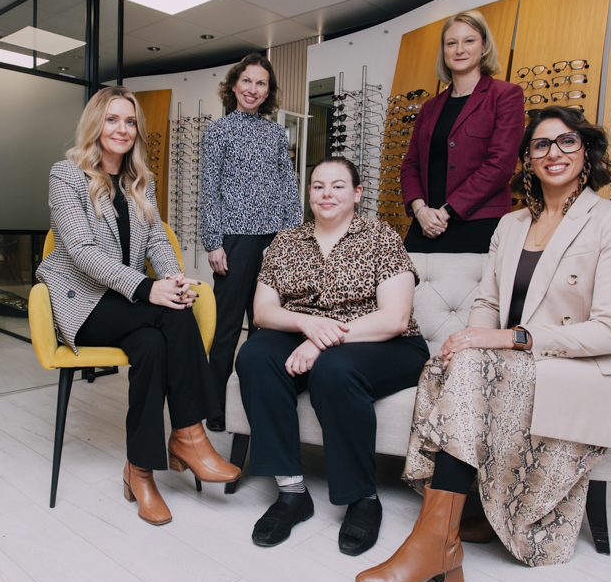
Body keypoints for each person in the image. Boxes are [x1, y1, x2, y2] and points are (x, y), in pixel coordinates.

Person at [356, 105, 611, 582]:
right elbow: (489, 302)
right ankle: (457, 525)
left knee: (471, 364)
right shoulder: (512, 225)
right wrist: (470, 338)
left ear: (587, 151)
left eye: (567, 142)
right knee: (455, 360)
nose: (554, 153)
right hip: (511, 366)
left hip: (576, 367)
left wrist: (509, 339)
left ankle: (434, 541)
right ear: (528, 159)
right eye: (541, 145)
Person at [36, 86, 240, 526]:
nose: (122, 129)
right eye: (112, 119)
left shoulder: (137, 182)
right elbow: (82, 253)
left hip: (126, 307)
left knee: (152, 343)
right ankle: (189, 435)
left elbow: (157, 242)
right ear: (95, 124)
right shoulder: (66, 175)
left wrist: (172, 278)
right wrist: (151, 290)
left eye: (130, 122)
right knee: (168, 311)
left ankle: (139, 471)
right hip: (85, 305)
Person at [235, 157, 430, 556]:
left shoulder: (381, 237)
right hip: (308, 334)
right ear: (309, 193)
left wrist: (323, 341)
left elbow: (394, 318)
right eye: (318, 186)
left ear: (357, 194)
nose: (327, 194)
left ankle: (363, 499)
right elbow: (263, 313)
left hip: (383, 342)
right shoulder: (286, 242)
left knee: (334, 369)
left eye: (338, 186)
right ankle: (292, 494)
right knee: (254, 354)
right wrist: (308, 327)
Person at [201, 54, 303, 432]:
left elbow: (288, 187)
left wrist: (292, 240)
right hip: (235, 240)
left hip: (274, 240)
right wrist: (214, 241)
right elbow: (209, 191)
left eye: (260, 84)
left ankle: (259, 404)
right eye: (247, 81)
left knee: (267, 329)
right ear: (233, 85)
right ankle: (215, 407)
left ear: (267, 92)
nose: (252, 89)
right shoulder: (217, 131)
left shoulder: (277, 134)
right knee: (227, 328)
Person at [399, 9, 524, 253]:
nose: (459, 49)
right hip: (425, 224)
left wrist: (447, 210)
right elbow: (410, 165)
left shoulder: (506, 95)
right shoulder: (430, 108)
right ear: (443, 50)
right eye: (451, 43)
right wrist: (420, 209)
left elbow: (501, 164)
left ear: (484, 45)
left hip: (479, 224)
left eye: (469, 40)